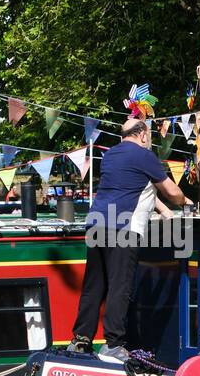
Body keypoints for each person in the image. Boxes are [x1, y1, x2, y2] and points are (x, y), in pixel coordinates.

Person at [70, 119, 193, 359]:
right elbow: (171, 191)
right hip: (123, 227)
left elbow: (137, 187)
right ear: (144, 135)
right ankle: (113, 344)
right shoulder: (144, 155)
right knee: (120, 286)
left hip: (97, 224)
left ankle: (80, 340)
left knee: (94, 286)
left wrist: (164, 212)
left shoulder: (111, 156)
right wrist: (185, 202)